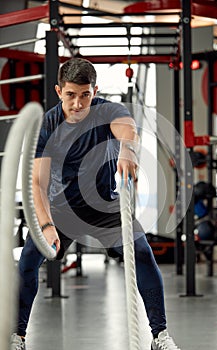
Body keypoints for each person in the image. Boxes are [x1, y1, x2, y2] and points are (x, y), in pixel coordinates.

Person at [11, 58, 181, 350]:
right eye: (71, 95)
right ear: (58, 91)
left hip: (104, 207)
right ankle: (18, 336)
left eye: (85, 94)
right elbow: (37, 183)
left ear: (95, 90)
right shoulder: (47, 125)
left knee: (142, 253)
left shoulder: (108, 110)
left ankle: (160, 336)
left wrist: (127, 149)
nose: (78, 103)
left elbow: (127, 129)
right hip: (59, 210)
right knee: (27, 263)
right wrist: (47, 225)